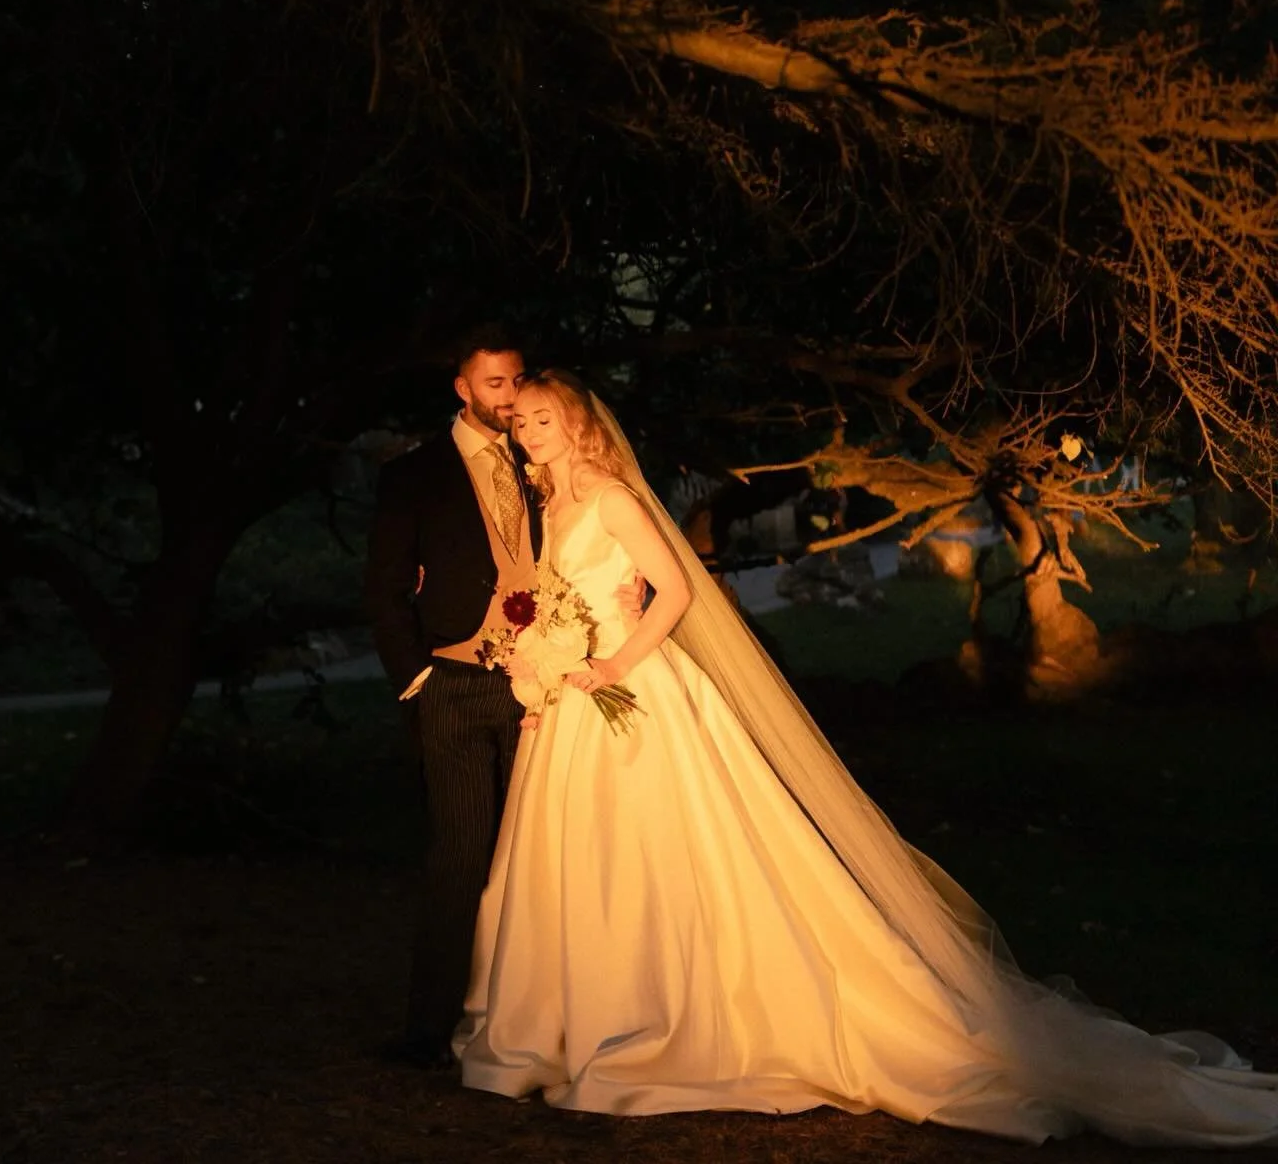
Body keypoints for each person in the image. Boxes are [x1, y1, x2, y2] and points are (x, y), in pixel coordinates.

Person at [454, 369, 1278, 1146]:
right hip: (573, 695)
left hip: (629, 687)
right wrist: (543, 657)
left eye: (544, 419)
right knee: (580, 856)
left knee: (664, 850)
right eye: (521, 422)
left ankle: (661, 1015)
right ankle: (572, 1015)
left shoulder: (610, 496)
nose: (531, 432)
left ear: (578, 424)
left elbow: (674, 589)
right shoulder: (550, 501)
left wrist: (614, 663)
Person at [364, 328, 539, 1069]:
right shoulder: (413, 475)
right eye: (495, 383)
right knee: (461, 855)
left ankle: (529, 1017)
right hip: (456, 685)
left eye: (517, 380)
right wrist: (418, 677)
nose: (510, 396)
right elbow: (383, 588)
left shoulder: (544, 457)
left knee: (543, 853)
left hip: (543, 686)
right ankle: (429, 1030)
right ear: (463, 388)